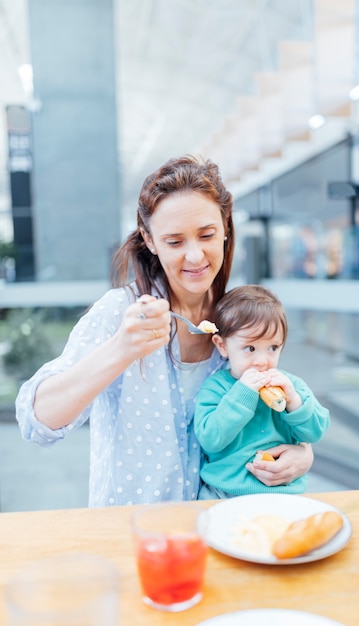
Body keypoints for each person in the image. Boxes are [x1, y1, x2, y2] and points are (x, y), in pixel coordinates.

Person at [15, 155, 314, 507]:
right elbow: (36, 422)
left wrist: (302, 452)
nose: (194, 256)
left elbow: (271, 412)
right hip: (137, 531)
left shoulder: (238, 318)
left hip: (223, 527)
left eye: (206, 235)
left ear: (226, 228)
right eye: (174, 241)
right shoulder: (120, 312)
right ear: (150, 239)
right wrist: (120, 350)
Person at [195, 284, 330, 499]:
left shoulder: (290, 385)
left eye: (273, 348)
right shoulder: (215, 388)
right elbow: (211, 439)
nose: (262, 361)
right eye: (250, 349)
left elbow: (316, 431)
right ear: (222, 346)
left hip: (283, 494)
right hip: (222, 494)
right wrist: (243, 393)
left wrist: (293, 401)